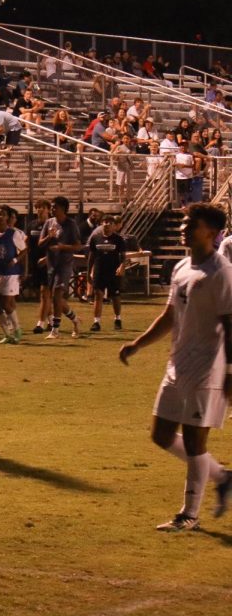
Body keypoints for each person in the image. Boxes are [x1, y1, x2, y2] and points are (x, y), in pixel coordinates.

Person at [119, 202, 232, 532]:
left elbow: (230, 325)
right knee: (161, 434)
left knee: (197, 442)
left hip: (207, 368)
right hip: (177, 365)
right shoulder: (182, 266)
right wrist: (138, 343)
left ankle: (189, 515)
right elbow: (171, 315)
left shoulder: (221, 272)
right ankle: (222, 476)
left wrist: (229, 374)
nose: (183, 227)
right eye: (183, 222)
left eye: (190, 223)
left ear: (210, 233)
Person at [0, 205, 27, 344]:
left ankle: (17, 329)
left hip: (10, 273)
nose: (0, 216)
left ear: (7, 217)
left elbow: (24, 250)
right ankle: (7, 334)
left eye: (3, 214)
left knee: (6, 303)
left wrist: (15, 260)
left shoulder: (13, 233)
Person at [41, 196, 83, 339]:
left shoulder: (71, 225)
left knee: (57, 294)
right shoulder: (48, 223)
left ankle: (55, 330)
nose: (52, 209)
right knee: (56, 299)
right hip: (51, 264)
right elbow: (40, 243)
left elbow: (78, 246)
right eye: (52, 206)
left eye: (55, 207)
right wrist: (48, 237)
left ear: (64, 209)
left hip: (64, 264)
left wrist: (62, 247)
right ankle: (75, 320)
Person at [89, 213, 127, 332]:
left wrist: (122, 266)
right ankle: (96, 322)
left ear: (113, 226)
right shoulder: (95, 238)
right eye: (105, 222)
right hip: (100, 270)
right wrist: (89, 271)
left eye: (110, 223)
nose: (107, 225)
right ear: (101, 224)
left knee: (115, 296)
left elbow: (124, 256)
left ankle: (117, 319)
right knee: (98, 295)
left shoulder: (118, 239)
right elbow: (92, 256)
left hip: (113, 271)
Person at [27, 199, 53, 333]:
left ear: (48, 209)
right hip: (35, 262)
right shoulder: (31, 225)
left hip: (48, 263)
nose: (40, 210)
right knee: (41, 294)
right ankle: (52, 320)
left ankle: (40, 324)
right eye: (37, 207)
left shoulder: (53, 225)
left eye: (43, 207)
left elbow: (56, 245)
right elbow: (27, 244)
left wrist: (48, 258)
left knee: (44, 293)